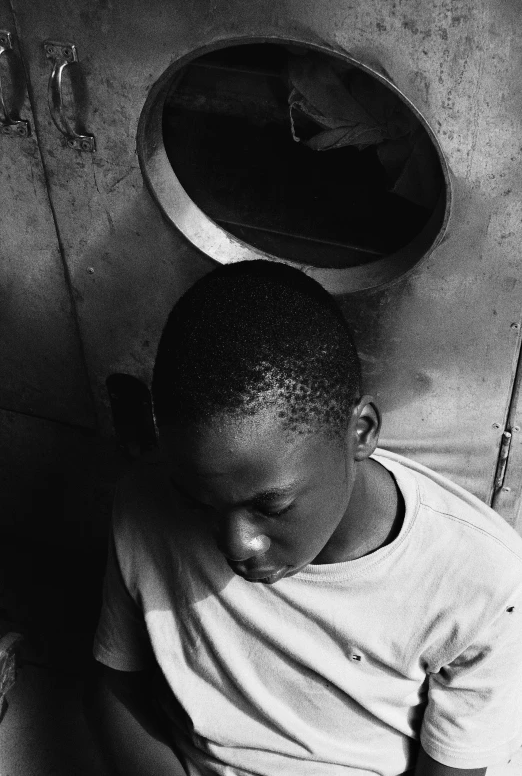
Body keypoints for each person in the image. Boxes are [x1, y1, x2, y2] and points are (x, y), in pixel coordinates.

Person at [87, 260, 522, 776]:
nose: (237, 545)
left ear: (359, 431)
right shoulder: (146, 502)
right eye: (199, 503)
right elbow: (118, 685)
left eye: (271, 506)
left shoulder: (480, 580)